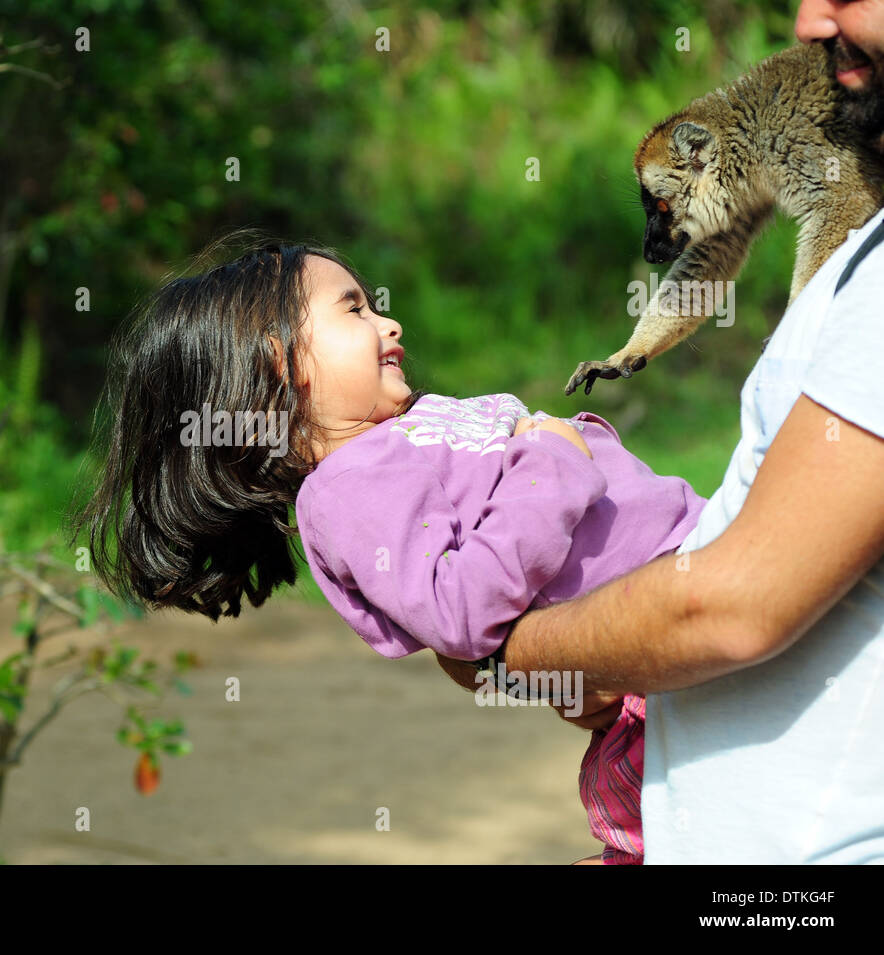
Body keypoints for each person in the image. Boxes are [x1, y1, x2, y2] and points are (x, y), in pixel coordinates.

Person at [69, 235, 709, 864]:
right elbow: (460, 611)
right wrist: (556, 459)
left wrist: (571, 442)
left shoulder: (409, 432)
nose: (389, 321)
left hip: (695, 585)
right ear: (278, 362)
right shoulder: (347, 486)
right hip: (665, 677)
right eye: (354, 309)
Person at [438, 1, 884, 863]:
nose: (808, 21)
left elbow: (731, 606)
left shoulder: (831, 191)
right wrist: (633, 349)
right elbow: (706, 258)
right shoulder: (747, 162)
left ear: (700, 156)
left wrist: (514, 649)